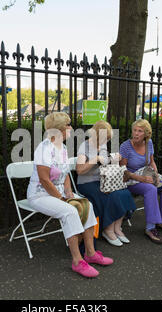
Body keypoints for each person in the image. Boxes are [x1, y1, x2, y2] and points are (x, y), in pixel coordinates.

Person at [27, 112, 113, 278]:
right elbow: (44, 180)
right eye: (68, 125)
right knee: (70, 211)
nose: (71, 128)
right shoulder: (43, 149)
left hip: (58, 192)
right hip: (40, 195)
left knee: (87, 204)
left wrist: (69, 192)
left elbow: (65, 173)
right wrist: (62, 199)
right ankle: (77, 261)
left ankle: (90, 253)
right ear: (59, 129)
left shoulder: (63, 148)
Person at [76, 120, 137, 247]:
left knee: (123, 192)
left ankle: (117, 228)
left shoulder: (103, 145)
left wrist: (114, 159)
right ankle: (107, 230)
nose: (107, 142)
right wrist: (95, 159)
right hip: (87, 183)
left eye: (108, 139)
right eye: (106, 138)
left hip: (103, 180)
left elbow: (105, 165)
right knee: (108, 195)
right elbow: (80, 170)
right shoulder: (85, 146)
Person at [119, 119, 162, 245]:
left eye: (140, 131)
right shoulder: (125, 146)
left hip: (146, 175)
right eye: (135, 130)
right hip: (132, 180)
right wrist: (141, 179)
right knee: (150, 189)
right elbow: (123, 172)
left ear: (146, 134)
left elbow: (151, 161)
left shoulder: (149, 143)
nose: (136, 133)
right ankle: (151, 227)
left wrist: (155, 174)